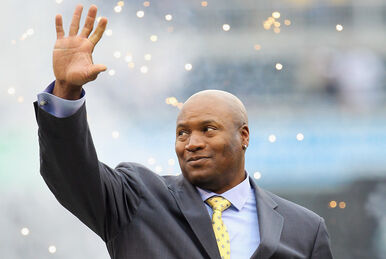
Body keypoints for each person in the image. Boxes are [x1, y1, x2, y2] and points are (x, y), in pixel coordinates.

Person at [34, 4, 333, 259]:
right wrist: (67, 90)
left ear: (244, 136)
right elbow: (71, 170)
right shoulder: (136, 198)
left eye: (208, 129)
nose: (192, 143)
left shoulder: (305, 229)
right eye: (182, 133)